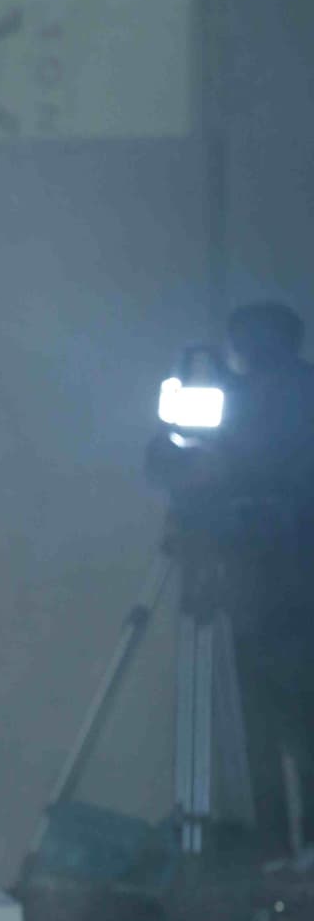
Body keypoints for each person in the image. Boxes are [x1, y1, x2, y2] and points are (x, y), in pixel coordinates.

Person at [146, 301, 314, 860]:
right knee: (275, 726)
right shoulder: (239, 396)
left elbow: (269, 490)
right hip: (256, 589)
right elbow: (178, 465)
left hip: (278, 590)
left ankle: (282, 852)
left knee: (284, 725)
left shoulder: (276, 400)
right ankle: (283, 853)